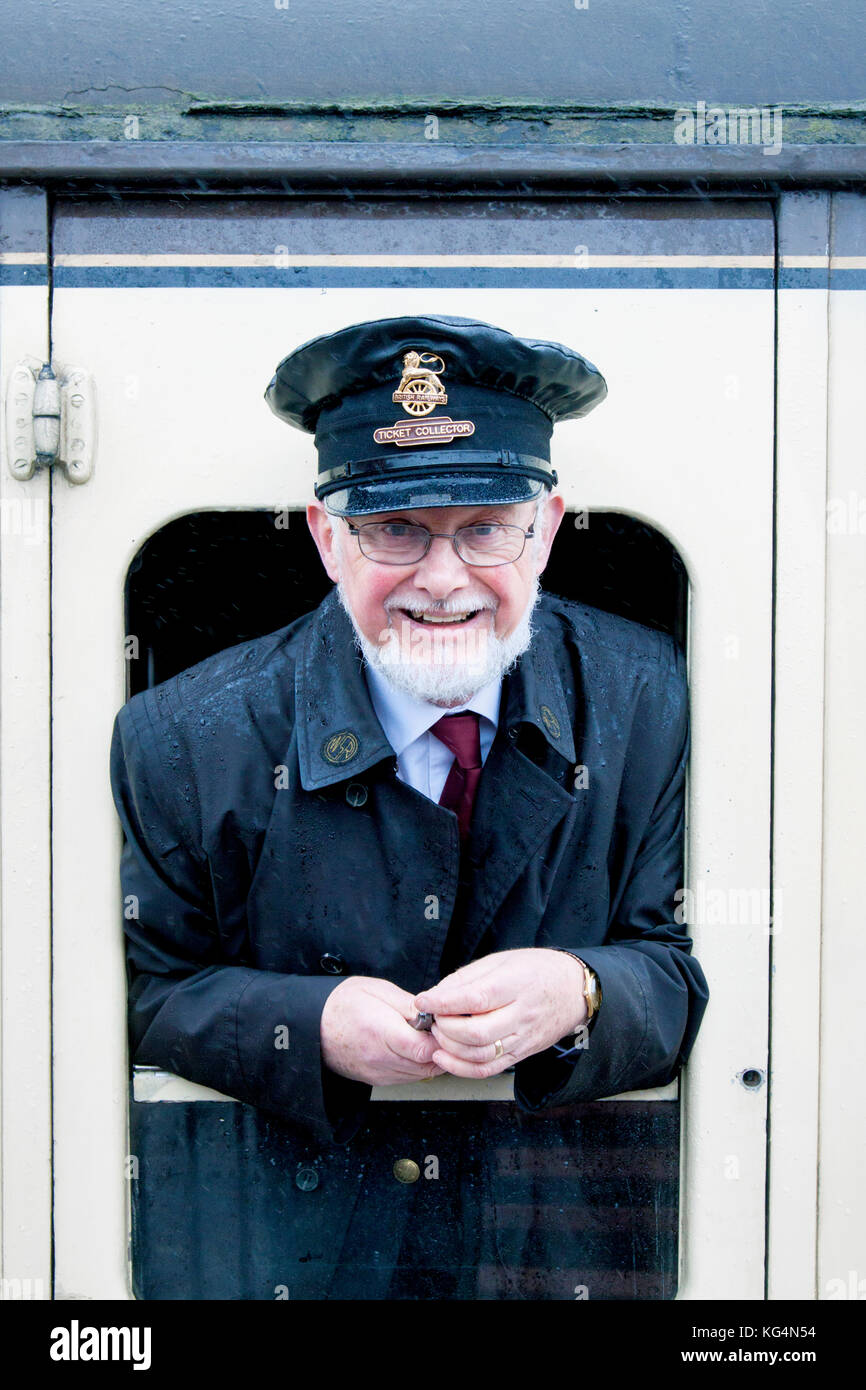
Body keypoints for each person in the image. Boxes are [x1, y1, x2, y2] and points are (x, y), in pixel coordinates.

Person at [110, 313, 708, 1300]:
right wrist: (310, 1025)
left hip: (567, 1262)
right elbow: (138, 994)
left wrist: (584, 992)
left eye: (484, 528)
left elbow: (691, 964)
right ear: (326, 539)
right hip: (295, 1265)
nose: (441, 581)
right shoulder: (182, 736)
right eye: (393, 529)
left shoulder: (649, 698)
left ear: (546, 530)